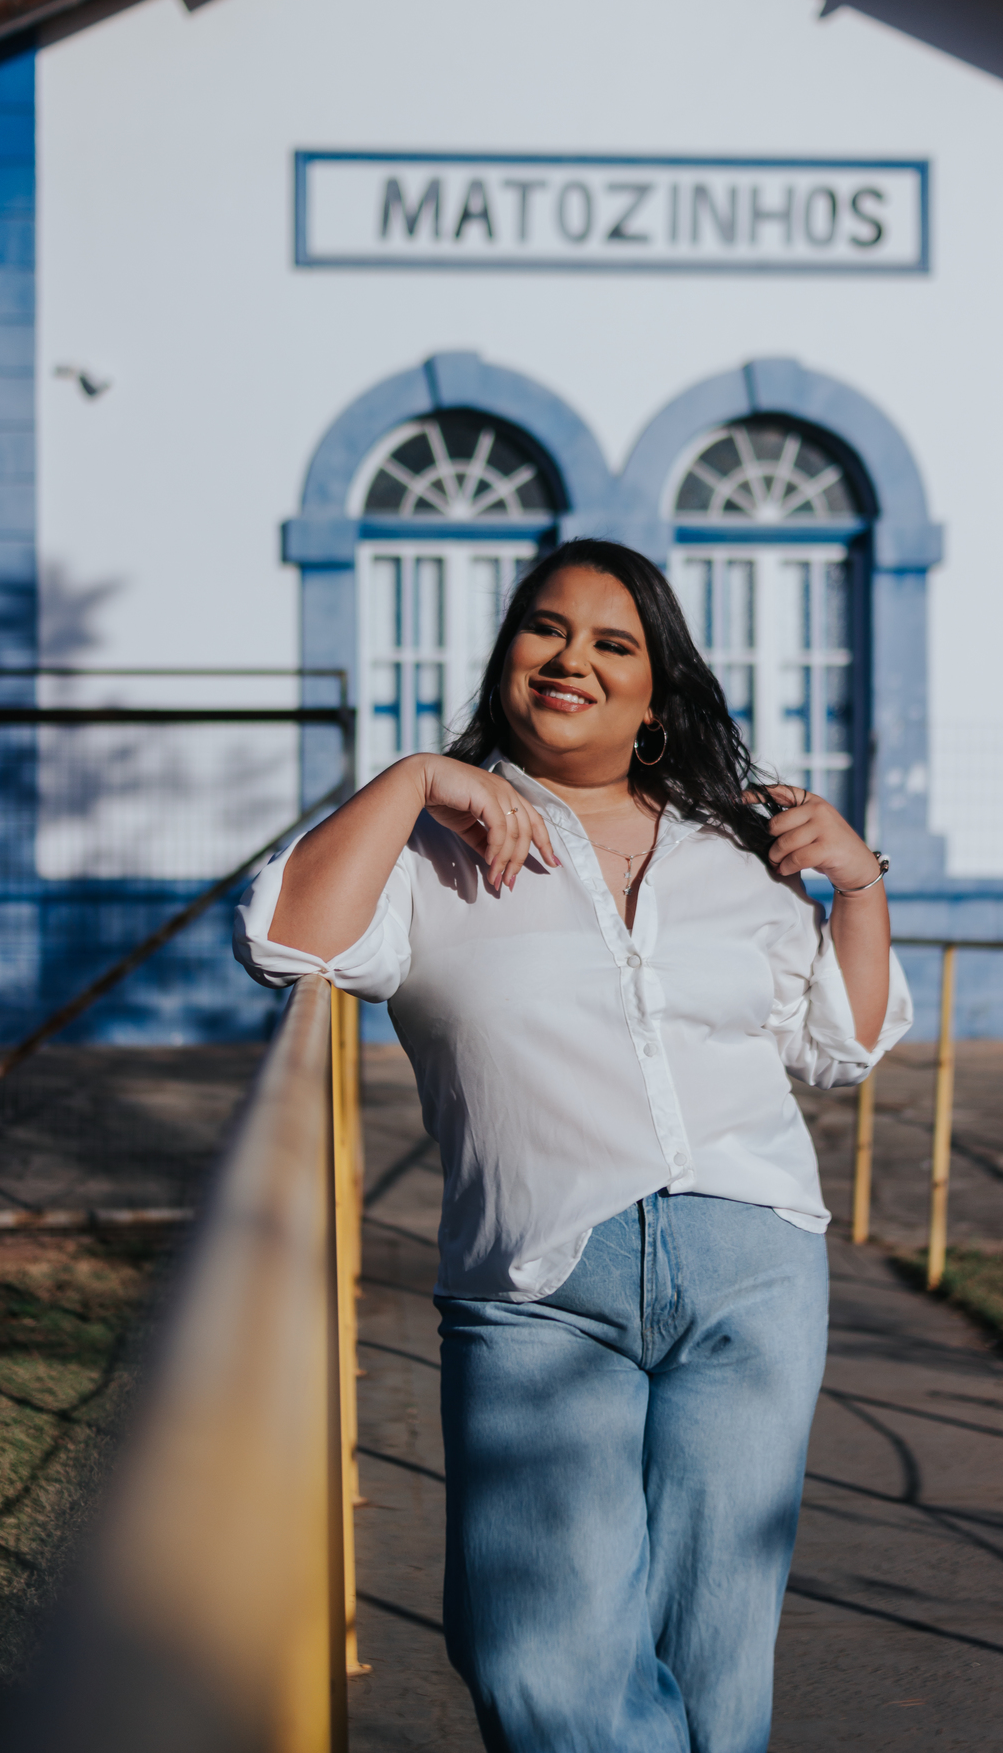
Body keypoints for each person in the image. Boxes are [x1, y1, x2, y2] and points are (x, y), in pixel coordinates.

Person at [234, 540, 912, 1753]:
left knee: (716, 1653)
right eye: (546, 629)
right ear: (506, 657)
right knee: (538, 1655)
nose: (572, 660)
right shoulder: (426, 853)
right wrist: (409, 780)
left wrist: (860, 890)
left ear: (658, 694)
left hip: (755, 1269)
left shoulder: (735, 855)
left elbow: (843, 1048)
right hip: (538, 1280)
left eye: (614, 643)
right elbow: (286, 940)